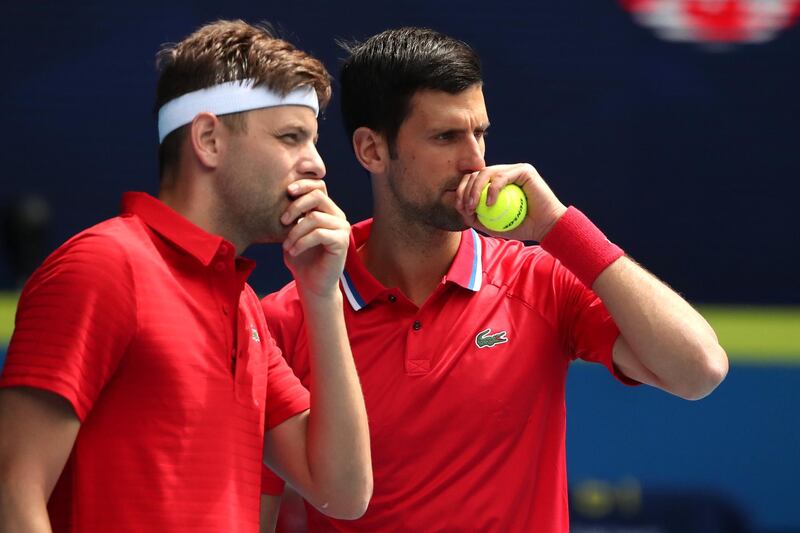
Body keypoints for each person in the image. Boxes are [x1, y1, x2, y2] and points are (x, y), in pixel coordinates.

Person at [260, 27, 728, 532]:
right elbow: (258, 515)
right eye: (446, 137)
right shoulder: (287, 318)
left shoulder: (538, 280)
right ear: (372, 150)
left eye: (479, 133)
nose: (475, 161)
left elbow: (699, 369)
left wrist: (558, 228)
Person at [0, 20, 371, 532]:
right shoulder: (103, 265)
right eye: (291, 137)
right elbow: (11, 492)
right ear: (208, 139)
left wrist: (323, 295)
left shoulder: (242, 306)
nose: (317, 165)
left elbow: (343, 492)